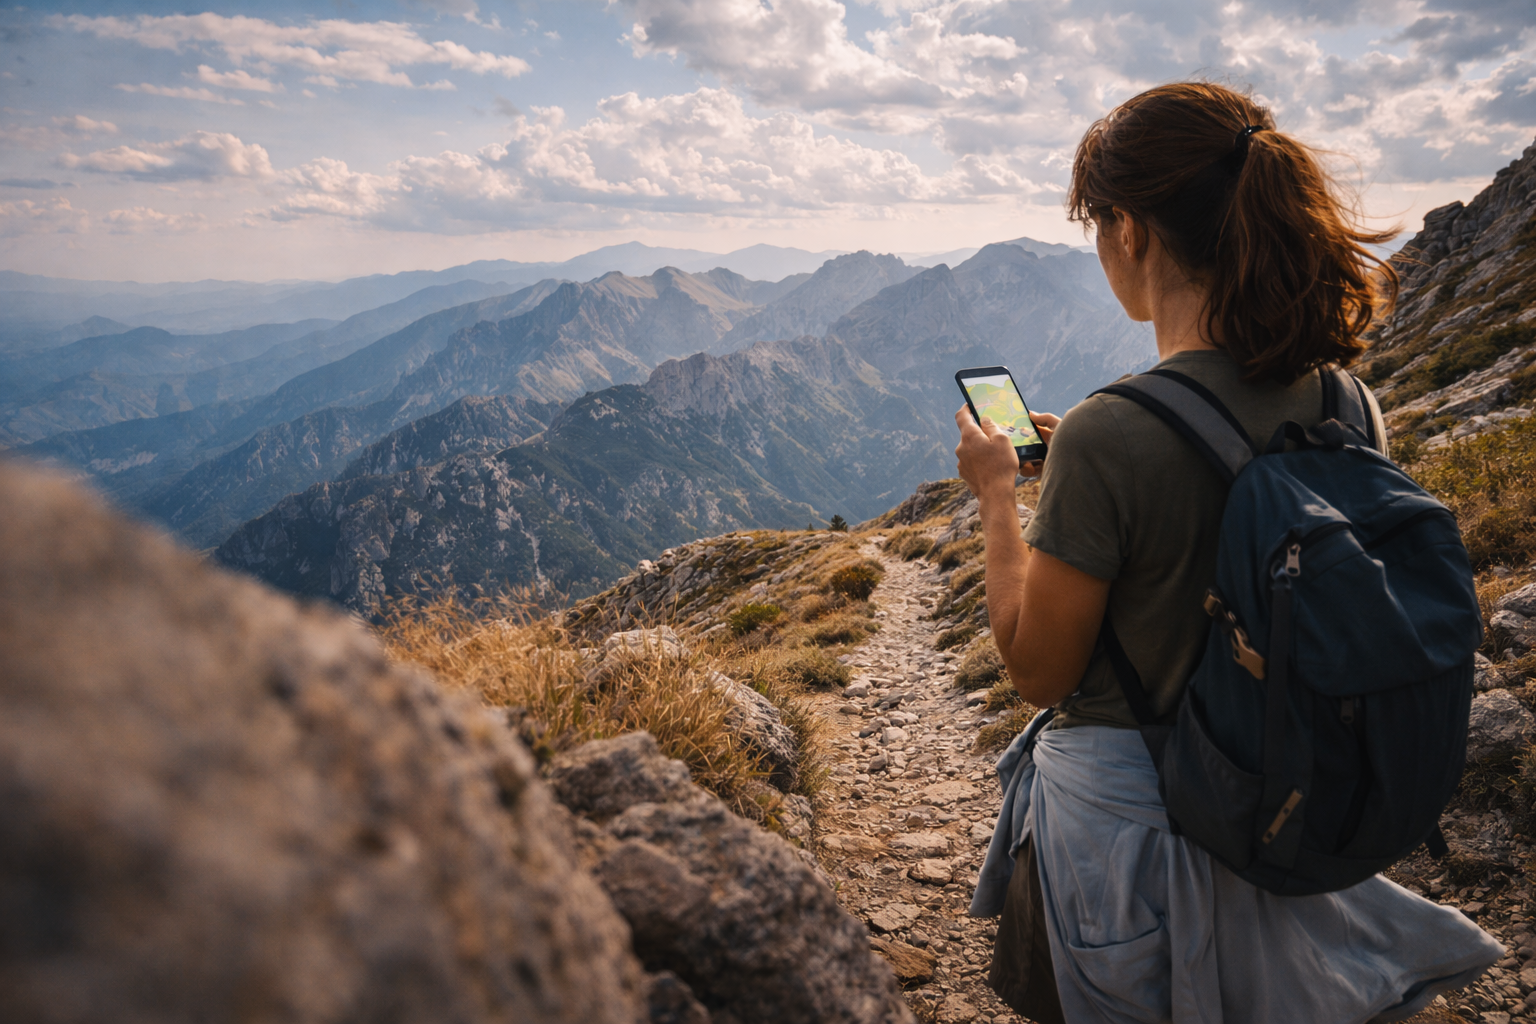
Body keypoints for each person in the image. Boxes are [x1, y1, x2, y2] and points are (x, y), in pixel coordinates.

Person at [955, 82, 1503, 1024]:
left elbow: (1039, 671)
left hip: (1131, 841)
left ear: (1130, 231)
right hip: (1286, 799)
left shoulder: (1108, 431)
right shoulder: (1346, 401)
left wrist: (1000, 496)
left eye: (1098, 224)